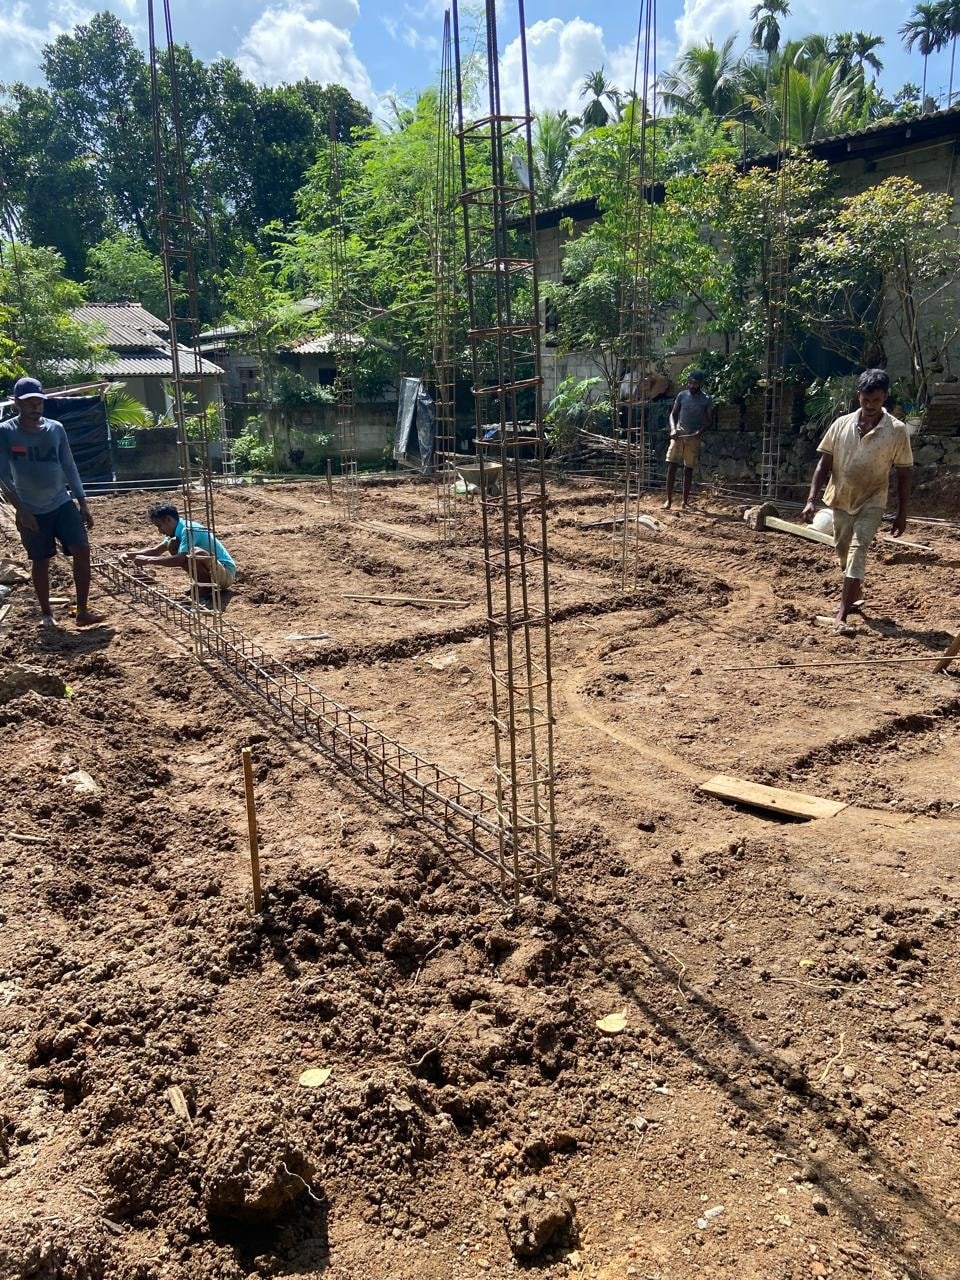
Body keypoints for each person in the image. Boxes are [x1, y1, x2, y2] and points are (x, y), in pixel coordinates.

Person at [802, 367, 912, 630]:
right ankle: (855, 590)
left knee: (858, 549)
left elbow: (904, 473)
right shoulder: (841, 424)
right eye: (866, 400)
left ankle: (842, 613)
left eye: (876, 400)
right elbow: (824, 464)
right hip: (841, 498)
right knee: (842, 550)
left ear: (885, 397)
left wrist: (902, 512)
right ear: (858, 396)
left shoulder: (896, 431)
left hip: (873, 500)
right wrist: (811, 499)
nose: (870, 406)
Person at [0, 376, 104, 628]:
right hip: (30, 508)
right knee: (41, 559)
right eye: (29, 402)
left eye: (39, 402)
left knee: (82, 549)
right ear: (16, 403)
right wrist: (21, 510)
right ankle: (47, 614)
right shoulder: (6, 432)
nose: (35, 406)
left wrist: (82, 502)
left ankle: (82, 611)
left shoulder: (56, 428)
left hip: (61, 502)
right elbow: (3, 475)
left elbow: (69, 465)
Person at [123, 501, 237, 601]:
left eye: (159, 526)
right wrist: (128, 555)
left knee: (195, 553)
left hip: (225, 573)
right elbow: (156, 551)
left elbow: (180, 559)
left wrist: (149, 560)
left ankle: (206, 587)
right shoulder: (177, 530)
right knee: (172, 544)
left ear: (168, 520)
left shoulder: (188, 529)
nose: (160, 531)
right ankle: (202, 584)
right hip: (213, 571)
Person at [664, 369, 713, 510]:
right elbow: (673, 414)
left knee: (688, 469)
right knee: (672, 466)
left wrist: (699, 432)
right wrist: (673, 429)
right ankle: (668, 501)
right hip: (679, 435)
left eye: (695, 383)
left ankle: (685, 502)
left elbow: (709, 421)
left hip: (693, 438)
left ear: (701, 384)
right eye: (690, 383)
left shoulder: (706, 399)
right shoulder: (682, 395)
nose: (691, 386)